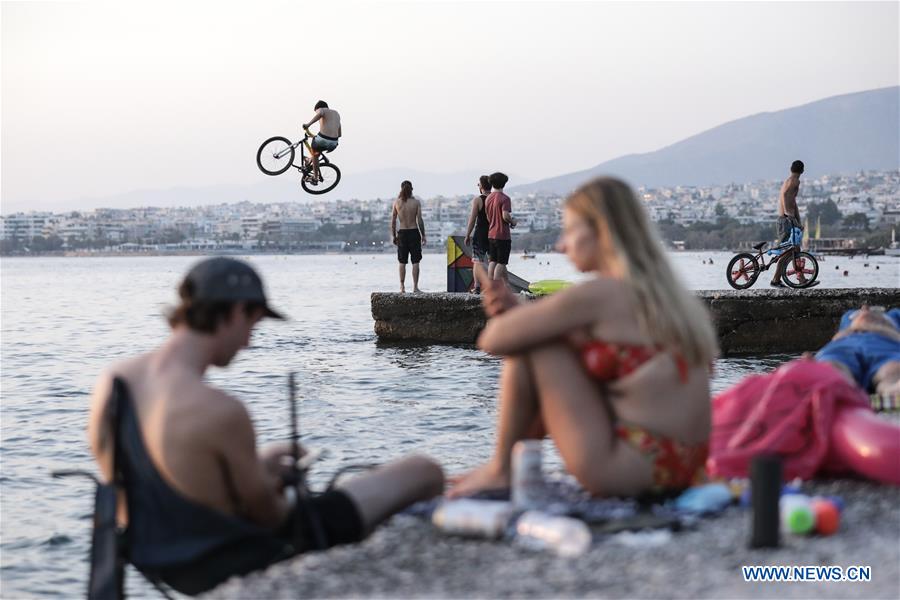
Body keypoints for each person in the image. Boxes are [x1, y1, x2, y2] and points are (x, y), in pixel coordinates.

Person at [87, 257, 443, 594]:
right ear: (236, 312)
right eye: (252, 325)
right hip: (241, 556)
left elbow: (147, 488)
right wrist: (280, 483)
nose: (248, 342)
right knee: (424, 471)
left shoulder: (113, 382)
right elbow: (271, 517)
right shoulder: (220, 411)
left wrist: (258, 466)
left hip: (162, 560)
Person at [448, 177, 718, 499]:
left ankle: (502, 469)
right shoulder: (669, 298)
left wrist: (516, 317)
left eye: (569, 231)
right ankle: (512, 470)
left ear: (600, 231)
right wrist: (524, 314)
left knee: (538, 345)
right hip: (684, 468)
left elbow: (493, 340)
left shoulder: (601, 293)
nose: (561, 246)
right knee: (553, 338)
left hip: (629, 470)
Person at [815, 305, 900, 398]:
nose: (865, 309)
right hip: (845, 346)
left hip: (886, 346)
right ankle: (835, 389)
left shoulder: (893, 315)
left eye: (874, 310)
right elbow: (838, 336)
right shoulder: (849, 317)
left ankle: (894, 388)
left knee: (892, 370)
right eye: (861, 310)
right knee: (832, 367)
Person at [770, 160, 817, 287]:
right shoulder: (794, 181)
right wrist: (789, 215)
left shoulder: (789, 181)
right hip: (785, 220)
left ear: (791, 169)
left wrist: (798, 222)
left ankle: (801, 279)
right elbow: (785, 196)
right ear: (802, 170)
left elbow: (793, 202)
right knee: (787, 251)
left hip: (788, 219)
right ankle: (775, 280)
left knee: (795, 249)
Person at [391, 180, 427, 293]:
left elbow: (393, 221)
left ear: (401, 189)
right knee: (415, 261)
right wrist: (423, 235)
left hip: (402, 233)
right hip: (414, 232)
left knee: (402, 262)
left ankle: (402, 287)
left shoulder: (397, 203)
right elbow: (419, 220)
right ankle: (415, 287)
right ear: (411, 189)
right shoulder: (416, 203)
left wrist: (394, 235)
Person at [484, 172, 517, 283]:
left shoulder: (488, 198)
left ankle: (491, 284)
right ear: (504, 183)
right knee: (501, 262)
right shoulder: (505, 198)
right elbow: (505, 216)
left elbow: (488, 216)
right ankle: (496, 285)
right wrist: (512, 222)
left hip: (491, 234)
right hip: (502, 235)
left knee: (492, 261)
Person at [464, 175, 492, 293]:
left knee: (477, 262)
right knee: (492, 262)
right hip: (493, 233)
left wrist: (467, 235)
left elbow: (472, 219)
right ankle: (491, 287)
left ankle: (477, 287)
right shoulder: (494, 198)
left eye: (479, 184)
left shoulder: (478, 200)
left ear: (481, 186)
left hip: (480, 233)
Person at [302, 100, 341, 184]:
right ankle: (309, 160)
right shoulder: (336, 114)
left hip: (323, 139)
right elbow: (339, 133)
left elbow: (320, 114)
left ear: (318, 108)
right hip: (334, 143)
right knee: (317, 148)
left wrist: (308, 124)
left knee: (315, 152)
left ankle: (315, 177)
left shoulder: (322, 110)